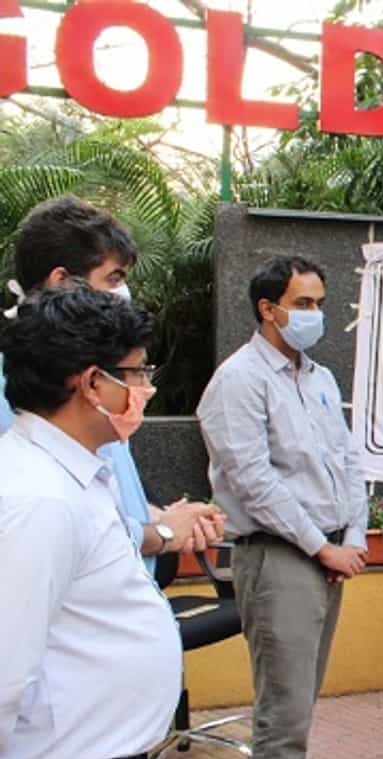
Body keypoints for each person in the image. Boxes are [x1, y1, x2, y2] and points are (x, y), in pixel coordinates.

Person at [0, 287, 181, 759]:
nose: (146, 387)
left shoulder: (74, 473)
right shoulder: (40, 499)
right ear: (91, 383)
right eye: (136, 372)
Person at [197, 256, 367, 759]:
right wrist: (323, 547)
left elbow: (348, 461)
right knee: (283, 706)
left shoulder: (319, 378)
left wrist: (353, 537)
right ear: (268, 309)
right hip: (279, 557)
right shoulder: (238, 380)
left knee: (301, 699)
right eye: (303, 304)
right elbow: (254, 482)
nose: (315, 314)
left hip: (326, 556)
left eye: (320, 303)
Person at [0, 195, 220, 576]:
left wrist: (159, 516)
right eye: (114, 278)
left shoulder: (101, 382)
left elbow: (102, 497)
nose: (125, 293)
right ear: (61, 282)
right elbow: (54, 523)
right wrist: (164, 533)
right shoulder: (18, 389)